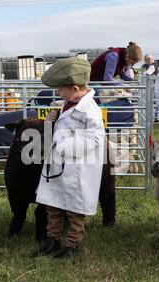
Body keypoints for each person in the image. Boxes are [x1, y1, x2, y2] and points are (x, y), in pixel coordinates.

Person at [32, 57, 105, 259]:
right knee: (52, 204)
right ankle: (51, 241)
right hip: (59, 165)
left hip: (77, 168)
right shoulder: (66, 105)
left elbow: (95, 138)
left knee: (74, 210)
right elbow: (57, 133)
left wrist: (63, 147)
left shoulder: (90, 111)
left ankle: (72, 246)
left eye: (60, 89)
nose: (57, 93)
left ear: (74, 88)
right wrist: (49, 123)